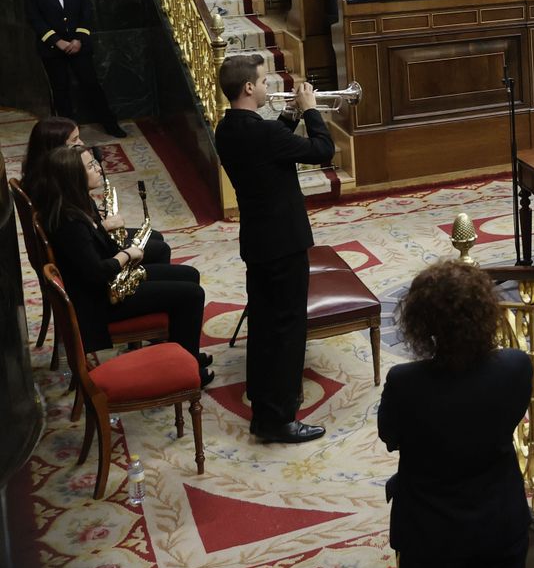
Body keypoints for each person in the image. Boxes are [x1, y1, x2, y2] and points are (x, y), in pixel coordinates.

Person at [379, 261, 533, 568]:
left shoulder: (404, 382)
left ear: (423, 323)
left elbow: (390, 438)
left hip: (429, 533)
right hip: (500, 524)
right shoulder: (516, 366)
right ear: (486, 313)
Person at [215, 53, 333, 443]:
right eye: (265, 81)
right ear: (249, 87)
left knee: (265, 328)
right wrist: (312, 111)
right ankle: (279, 419)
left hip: (258, 242)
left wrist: (290, 117)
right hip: (284, 243)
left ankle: (264, 410)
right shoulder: (262, 134)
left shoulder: (227, 128)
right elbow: (322, 150)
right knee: (287, 331)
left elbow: (272, 148)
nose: (270, 87)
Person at [32, 143, 209, 377]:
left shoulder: (78, 203)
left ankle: (185, 356)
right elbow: (96, 272)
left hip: (107, 285)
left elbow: (98, 248)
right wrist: (126, 254)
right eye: (91, 166)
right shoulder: (70, 223)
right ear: (74, 176)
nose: (98, 169)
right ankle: (186, 372)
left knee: (190, 275)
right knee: (192, 295)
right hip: (100, 302)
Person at [21, 119, 163, 261]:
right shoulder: (53, 189)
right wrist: (104, 226)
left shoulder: (43, 175)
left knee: (155, 236)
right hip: (87, 250)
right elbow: (75, 232)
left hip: (88, 238)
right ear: (57, 146)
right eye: (75, 139)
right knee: (159, 249)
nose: (82, 143)